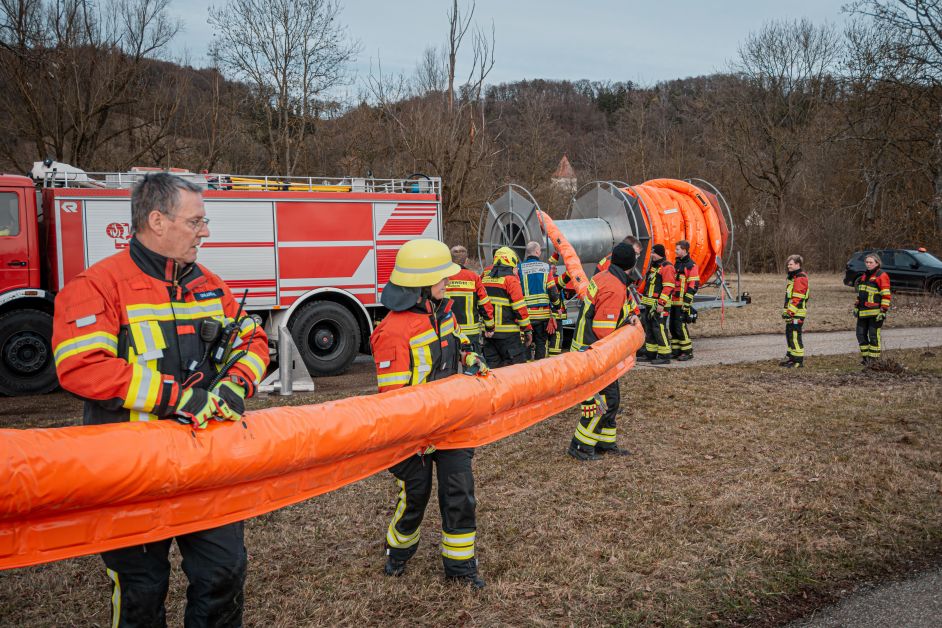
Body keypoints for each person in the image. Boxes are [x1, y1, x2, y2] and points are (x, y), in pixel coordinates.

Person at [52, 173, 270, 626]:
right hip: (131, 470)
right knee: (140, 591)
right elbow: (82, 366)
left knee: (224, 574)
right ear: (157, 220)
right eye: (196, 221)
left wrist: (233, 386)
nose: (204, 232)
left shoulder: (208, 284)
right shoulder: (97, 286)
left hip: (206, 464)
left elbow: (253, 339)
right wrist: (179, 398)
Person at [370, 238, 488, 589]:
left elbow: (458, 342)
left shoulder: (444, 311)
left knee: (459, 493)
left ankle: (461, 569)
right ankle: (399, 552)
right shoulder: (392, 331)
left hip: (451, 425)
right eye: (442, 278)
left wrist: (470, 356)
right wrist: (414, 435)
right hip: (414, 435)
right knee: (415, 496)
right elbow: (393, 400)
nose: (448, 283)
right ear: (422, 285)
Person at [567, 243, 641, 461]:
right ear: (631, 264)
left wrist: (628, 318)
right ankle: (580, 446)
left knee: (612, 398)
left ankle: (605, 442)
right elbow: (603, 330)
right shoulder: (613, 287)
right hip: (594, 353)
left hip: (589, 349)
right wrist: (626, 333)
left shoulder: (604, 277)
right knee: (603, 401)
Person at [481, 247, 532, 367]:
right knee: (515, 373)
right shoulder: (510, 280)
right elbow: (520, 309)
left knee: (494, 373)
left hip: (489, 334)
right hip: (509, 336)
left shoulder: (485, 277)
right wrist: (527, 330)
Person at [445, 245, 495, 354]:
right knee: (472, 365)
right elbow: (485, 304)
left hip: (447, 330)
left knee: (449, 368)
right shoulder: (473, 277)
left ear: (450, 261)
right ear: (466, 261)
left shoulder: (443, 277)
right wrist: (490, 326)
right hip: (470, 333)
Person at [517, 241, 563, 360]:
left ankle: (526, 372)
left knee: (526, 344)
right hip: (542, 316)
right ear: (537, 252)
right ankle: (539, 371)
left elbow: (516, 291)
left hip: (526, 316)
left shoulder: (519, 268)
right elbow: (552, 291)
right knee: (541, 344)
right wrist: (558, 307)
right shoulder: (545, 267)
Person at [638, 243, 675, 365]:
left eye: (653, 253)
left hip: (659, 306)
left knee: (659, 329)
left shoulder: (667, 267)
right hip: (649, 305)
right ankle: (650, 354)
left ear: (659, 254)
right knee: (649, 329)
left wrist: (661, 304)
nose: (651, 255)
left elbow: (668, 287)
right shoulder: (654, 267)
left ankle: (665, 355)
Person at [854, 252, 891, 364]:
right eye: (867, 262)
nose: (868, 264)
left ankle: (874, 361)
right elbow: (861, 293)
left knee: (873, 336)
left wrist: (883, 310)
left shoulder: (882, 275)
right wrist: (856, 306)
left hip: (875, 313)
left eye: (871, 262)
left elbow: (886, 295)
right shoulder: (864, 276)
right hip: (862, 312)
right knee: (860, 335)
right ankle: (866, 359)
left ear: (877, 263)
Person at [669, 240, 700, 361]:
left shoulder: (691, 265)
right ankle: (676, 350)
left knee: (680, 327)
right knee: (672, 326)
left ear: (684, 250)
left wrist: (686, 304)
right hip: (673, 301)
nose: (675, 251)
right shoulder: (677, 263)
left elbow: (693, 286)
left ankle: (687, 352)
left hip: (682, 302)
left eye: (677, 249)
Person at [780, 254, 809, 368]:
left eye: (791, 264)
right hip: (792, 313)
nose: (788, 266)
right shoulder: (793, 277)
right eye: (788, 264)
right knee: (790, 335)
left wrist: (790, 312)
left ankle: (798, 361)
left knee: (795, 336)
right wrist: (786, 312)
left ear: (798, 265)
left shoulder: (800, 277)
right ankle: (791, 358)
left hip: (797, 313)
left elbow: (797, 297)